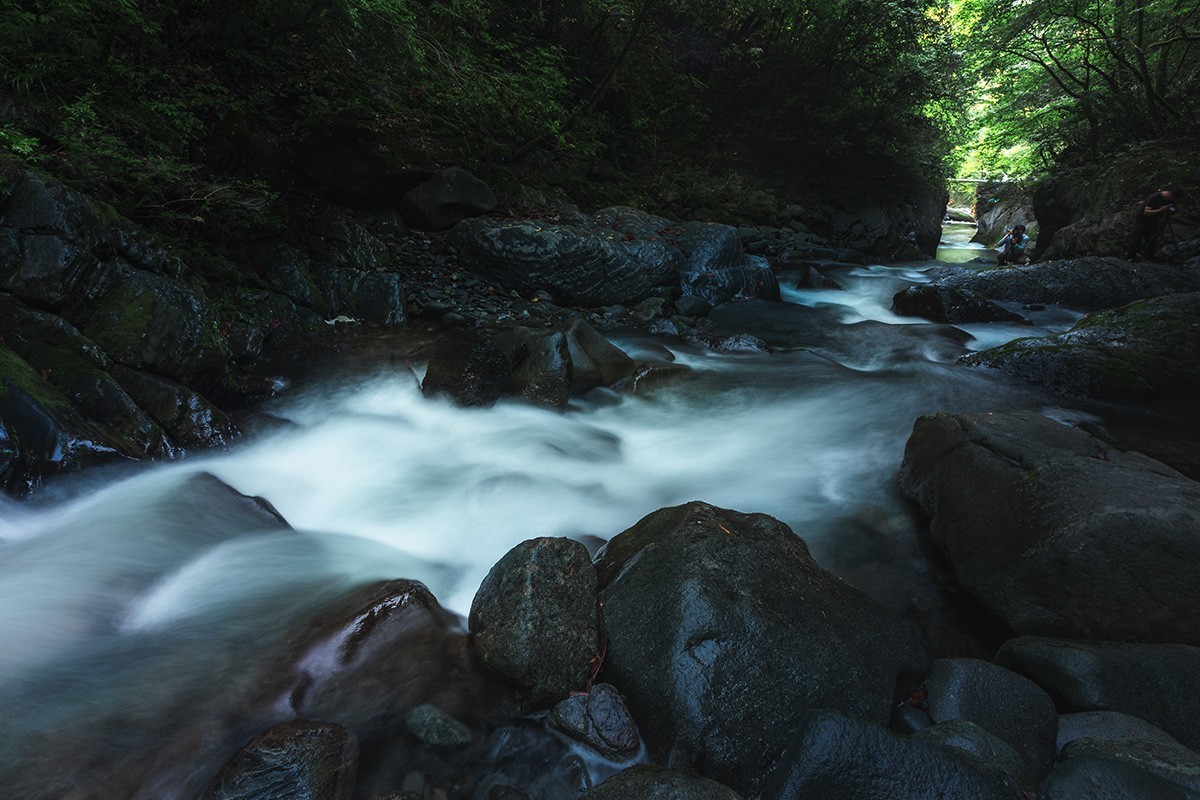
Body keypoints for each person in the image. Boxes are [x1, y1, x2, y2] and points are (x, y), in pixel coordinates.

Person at [1126, 188, 1177, 260]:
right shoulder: (1154, 198)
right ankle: (1130, 256)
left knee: (1151, 238)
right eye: (1172, 197)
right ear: (1169, 194)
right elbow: (1146, 212)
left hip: (1154, 221)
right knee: (1137, 237)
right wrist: (1161, 210)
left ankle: (1149, 257)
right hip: (1143, 220)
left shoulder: (1170, 200)